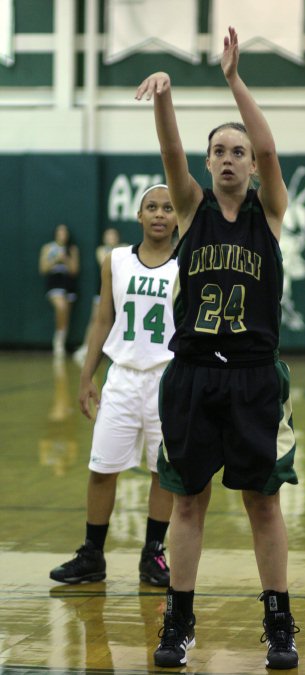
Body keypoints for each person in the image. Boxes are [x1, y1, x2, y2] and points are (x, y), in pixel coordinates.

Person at [135, 26, 299, 670]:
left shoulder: (271, 211)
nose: (231, 157)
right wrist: (166, 99)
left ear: (251, 165)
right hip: (195, 374)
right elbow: (172, 152)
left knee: (263, 503)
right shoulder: (190, 208)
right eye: (220, 151)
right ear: (209, 164)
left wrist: (234, 80)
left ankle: (279, 622)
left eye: (239, 151)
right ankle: (178, 620)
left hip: (256, 377)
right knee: (189, 500)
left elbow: (268, 142)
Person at [49, 185, 177, 586]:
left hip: (168, 379)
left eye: (168, 208)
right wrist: (88, 375)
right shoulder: (116, 260)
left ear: (178, 217)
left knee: (164, 473)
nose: (159, 214)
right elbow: (103, 319)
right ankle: (92, 555)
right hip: (121, 376)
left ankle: (152, 554)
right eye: (151, 207)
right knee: (102, 468)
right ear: (138, 216)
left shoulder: (187, 262)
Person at [73, 228, 125, 367]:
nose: (111, 238)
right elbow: (105, 261)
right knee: (95, 319)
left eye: (113, 235)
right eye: (108, 236)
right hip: (104, 289)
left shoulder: (124, 250)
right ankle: (86, 348)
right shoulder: (102, 250)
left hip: (120, 289)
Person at [39, 223, 80, 358]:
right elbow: (43, 269)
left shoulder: (72, 249)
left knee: (66, 314)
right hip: (54, 281)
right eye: (60, 232)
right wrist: (56, 260)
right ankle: (57, 341)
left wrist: (66, 259)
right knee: (60, 307)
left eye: (65, 232)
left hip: (68, 282)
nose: (62, 235)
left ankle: (61, 342)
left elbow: (74, 270)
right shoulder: (48, 248)